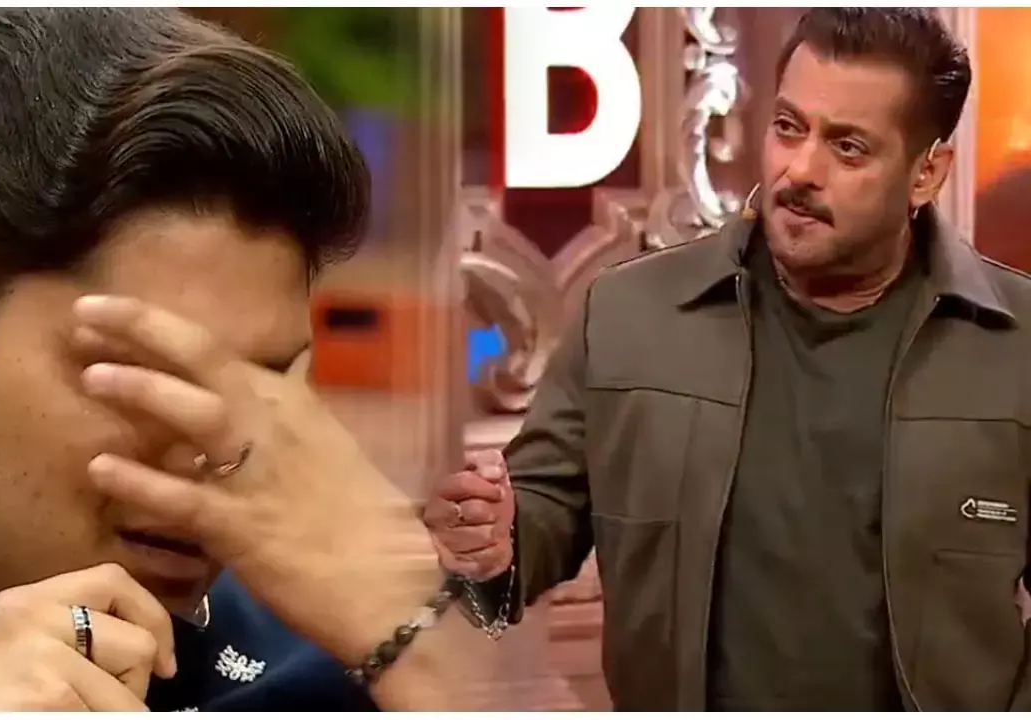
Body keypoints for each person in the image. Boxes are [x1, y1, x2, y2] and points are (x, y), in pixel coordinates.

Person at [0, 8, 474, 712]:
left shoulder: (352, 661)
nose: (219, 447)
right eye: (150, 374)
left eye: (264, 383)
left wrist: (421, 648)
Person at [427, 7, 1031, 712]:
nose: (799, 170)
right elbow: (539, 518)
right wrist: (492, 542)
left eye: (848, 148)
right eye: (788, 127)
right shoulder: (629, 316)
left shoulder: (1017, 344)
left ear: (927, 173)